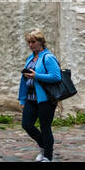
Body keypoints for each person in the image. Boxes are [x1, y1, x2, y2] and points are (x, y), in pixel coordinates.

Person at [19, 28, 61, 161]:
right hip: (31, 99)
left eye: (33, 42)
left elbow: (56, 76)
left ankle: (47, 156)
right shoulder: (30, 58)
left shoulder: (48, 57)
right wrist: (22, 99)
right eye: (29, 42)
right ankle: (44, 146)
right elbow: (24, 80)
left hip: (46, 99)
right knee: (27, 124)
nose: (31, 45)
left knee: (45, 127)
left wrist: (36, 76)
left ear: (41, 42)